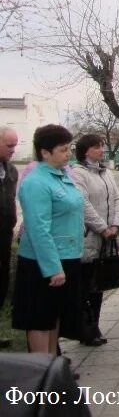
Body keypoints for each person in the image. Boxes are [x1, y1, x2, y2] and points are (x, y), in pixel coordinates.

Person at [12, 125, 84, 355]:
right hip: (43, 263)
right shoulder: (36, 183)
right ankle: (41, 372)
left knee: (54, 317)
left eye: (69, 148)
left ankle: (54, 365)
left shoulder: (63, 176)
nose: (69, 154)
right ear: (45, 152)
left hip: (68, 256)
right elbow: (38, 229)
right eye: (63, 150)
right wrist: (53, 268)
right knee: (40, 318)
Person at [70, 134, 119, 347]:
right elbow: (83, 204)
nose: (102, 150)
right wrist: (102, 228)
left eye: (102, 146)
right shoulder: (78, 173)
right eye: (97, 147)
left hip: (108, 238)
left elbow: (117, 199)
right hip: (90, 238)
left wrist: (116, 224)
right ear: (86, 151)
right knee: (85, 286)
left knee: (99, 285)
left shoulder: (105, 173)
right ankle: (84, 328)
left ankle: (94, 326)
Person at [0, 126, 19, 348]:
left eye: (15, 145)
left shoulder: (11, 171)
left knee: (2, 285)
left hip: (4, 237)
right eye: (9, 145)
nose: (13, 149)